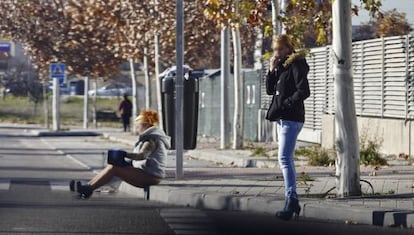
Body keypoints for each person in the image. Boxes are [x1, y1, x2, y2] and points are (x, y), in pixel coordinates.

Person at [74, 109, 171, 199]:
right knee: (112, 165)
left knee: (114, 169)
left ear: (145, 125)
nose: (137, 128)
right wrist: (126, 161)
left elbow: (142, 156)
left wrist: (124, 155)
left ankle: (89, 189)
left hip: (151, 176)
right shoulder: (149, 138)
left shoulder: (151, 140)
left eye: (139, 125)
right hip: (146, 172)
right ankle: (88, 186)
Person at [265, 34, 310, 220]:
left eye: (280, 49)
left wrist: (286, 104)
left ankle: (291, 199)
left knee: (284, 157)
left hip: (291, 118)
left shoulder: (297, 65)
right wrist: (271, 70)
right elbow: (270, 90)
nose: (277, 52)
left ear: (289, 49)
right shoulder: (282, 67)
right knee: (284, 158)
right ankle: (292, 201)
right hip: (282, 119)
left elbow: (303, 91)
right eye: (275, 49)